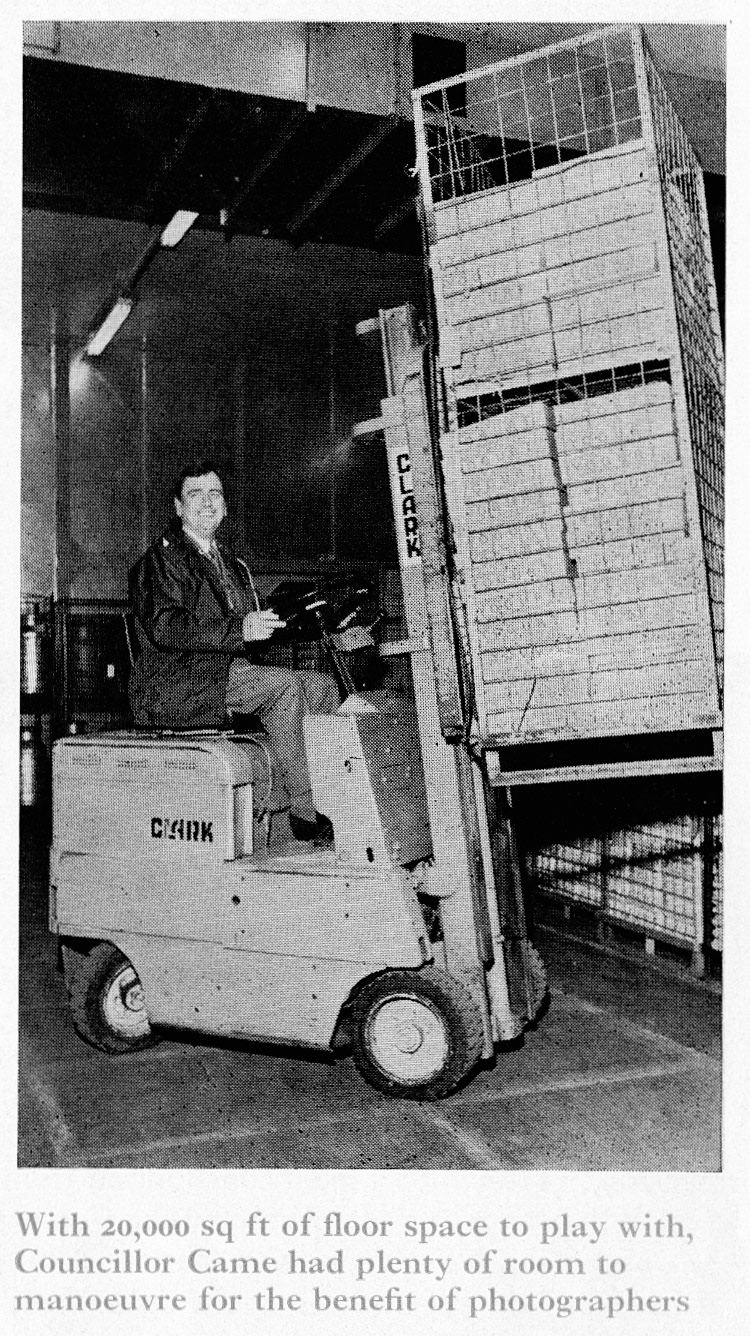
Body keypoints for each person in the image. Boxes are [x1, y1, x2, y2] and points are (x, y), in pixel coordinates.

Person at [128, 459, 339, 843]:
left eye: (215, 494)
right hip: (179, 681)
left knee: (322, 685)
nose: (207, 503)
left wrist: (299, 623)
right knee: (285, 689)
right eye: (196, 495)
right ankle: (307, 812)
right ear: (178, 507)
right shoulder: (160, 562)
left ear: (225, 506)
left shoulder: (232, 565)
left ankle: (328, 795)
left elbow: (250, 630)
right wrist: (240, 628)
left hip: (224, 673)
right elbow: (166, 626)